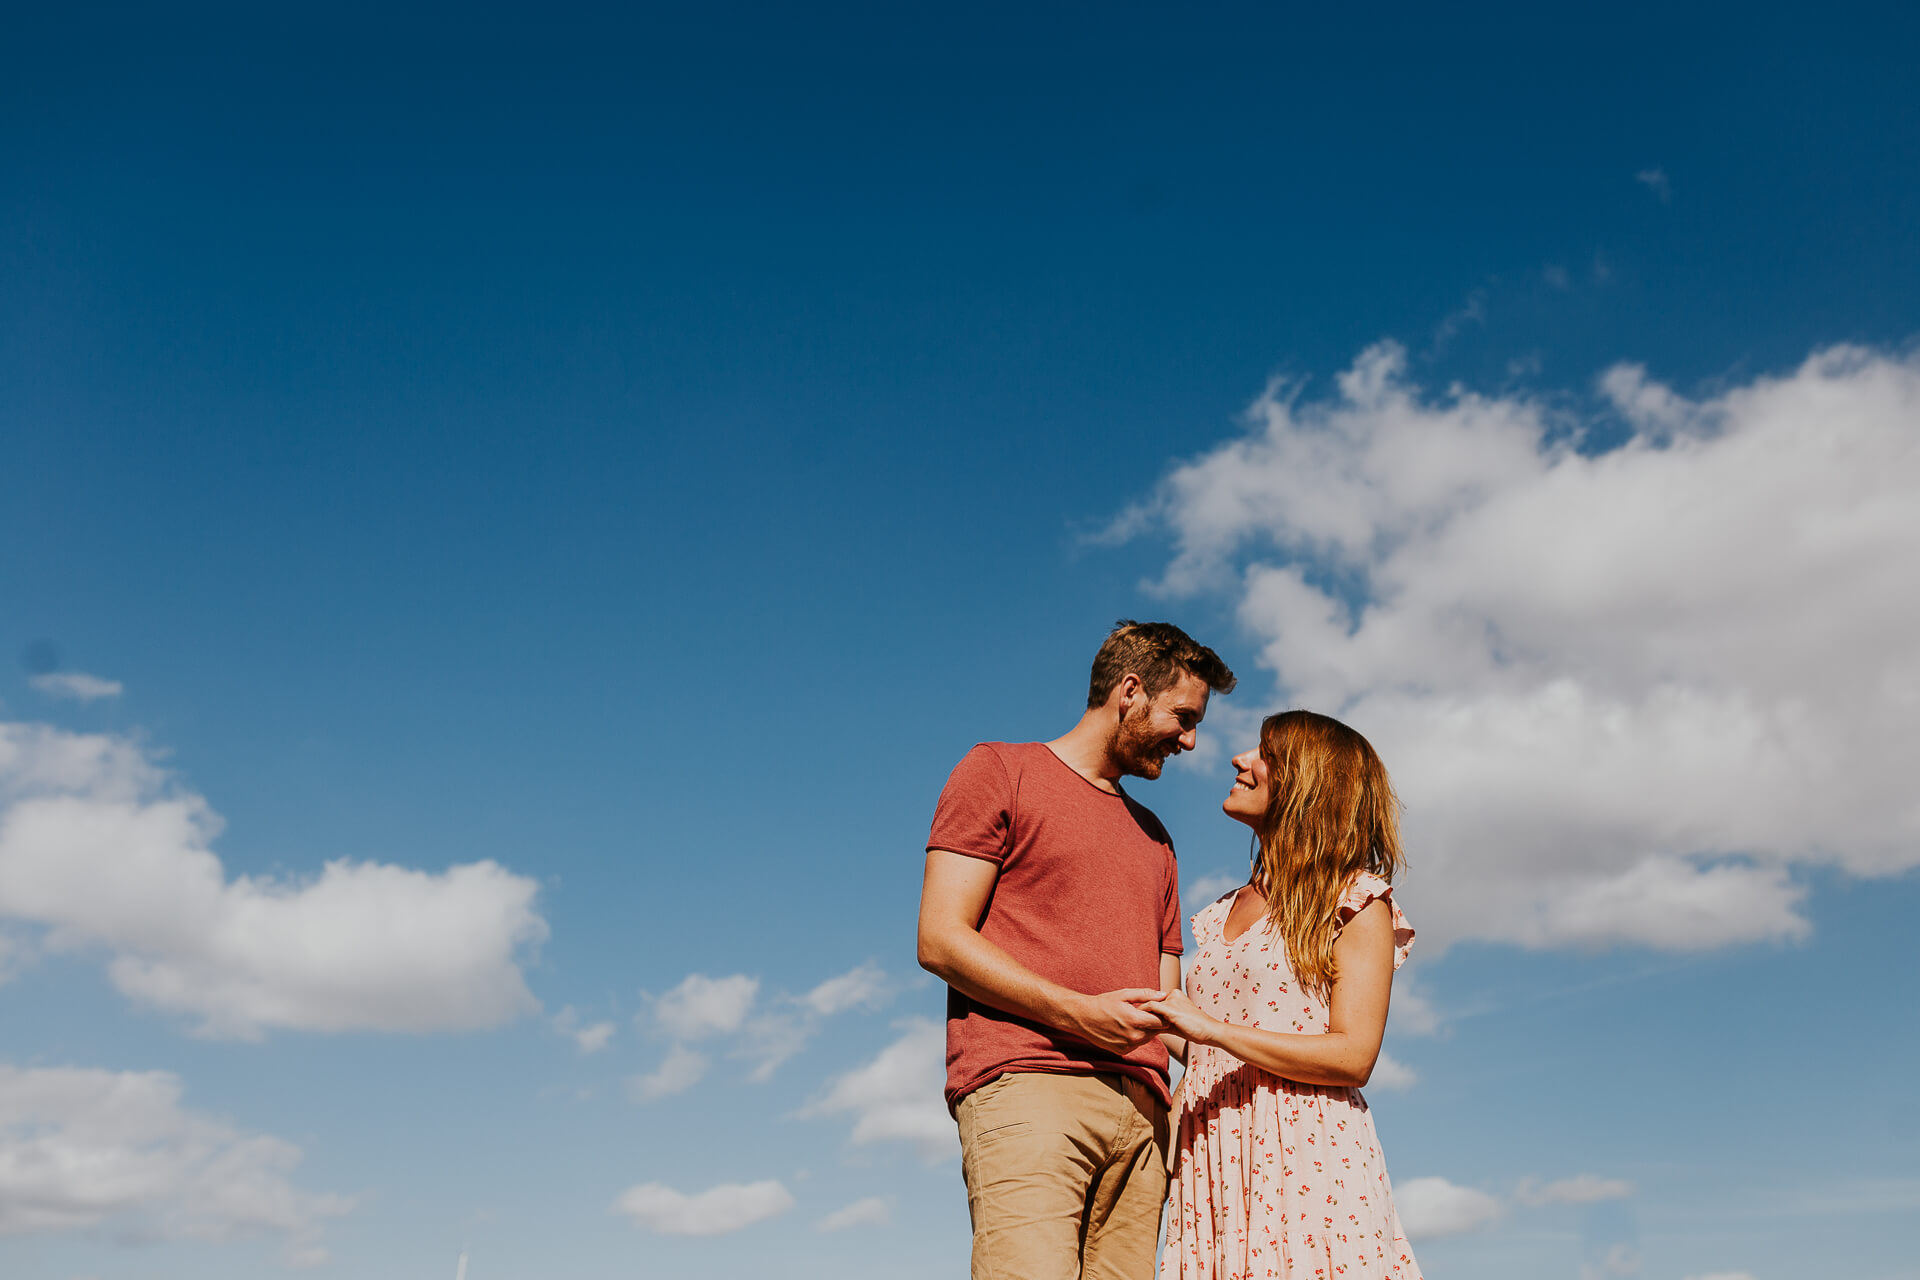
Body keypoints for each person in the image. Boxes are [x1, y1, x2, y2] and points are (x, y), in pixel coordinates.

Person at [917, 620, 1237, 1280]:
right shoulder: (1000, 771)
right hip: (1033, 1084)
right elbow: (940, 939)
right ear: (1130, 691)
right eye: (1182, 717)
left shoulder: (1157, 838)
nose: (1190, 740)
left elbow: (1169, 1003)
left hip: (1148, 1119)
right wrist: (1077, 1013)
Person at [1145, 709, 1423, 1280]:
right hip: (1213, 1149)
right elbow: (1199, 1044)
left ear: (1307, 784)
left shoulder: (1355, 901)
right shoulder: (1219, 910)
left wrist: (1211, 1030)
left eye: (1264, 754)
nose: (1240, 760)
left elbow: (1353, 1054)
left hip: (1303, 1151)